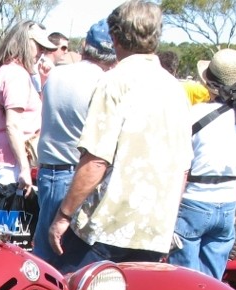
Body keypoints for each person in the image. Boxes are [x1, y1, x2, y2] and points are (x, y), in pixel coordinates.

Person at [47, 0, 192, 270]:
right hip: (155, 228)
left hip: (110, 225)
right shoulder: (175, 89)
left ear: (115, 37)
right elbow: (183, 167)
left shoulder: (115, 82)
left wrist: (63, 215)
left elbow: (96, 161)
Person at [167, 49, 236, 280]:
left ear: (208, 82)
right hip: (227, 205)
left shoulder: (194, 114)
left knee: (183, 282)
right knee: (212, 285)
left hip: (193, 202)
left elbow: (176, 166)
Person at [33, 19, 118, 263]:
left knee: (45, 256)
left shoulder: (56, 76)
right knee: (71, 259)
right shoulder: (105, 84)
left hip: (49, 173)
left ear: (84, 46)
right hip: (80, 176)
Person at [0, 21, 56, 227]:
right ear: (25, 41)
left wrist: (42, 80)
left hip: (12, 161)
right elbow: (13, 125)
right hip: (9, 164)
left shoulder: (21, 74)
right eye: (38, 46)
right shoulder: (15, 74)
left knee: (8, 227)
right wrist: (24, 168)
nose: (41, 53)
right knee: (2, 229)